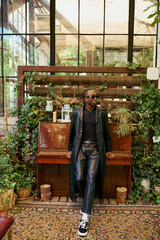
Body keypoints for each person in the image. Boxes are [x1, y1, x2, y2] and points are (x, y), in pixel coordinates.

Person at [67, 89, 115, 237]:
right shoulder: (76, 112)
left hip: (95, 149)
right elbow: (72, 132)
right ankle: (86, 200)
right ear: (85, 99)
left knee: (91, 177)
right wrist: (70, 149)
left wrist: (108, 150)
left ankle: (85, 216)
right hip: (81, 148)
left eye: (95, 96)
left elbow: (107, 133)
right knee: (79, 177)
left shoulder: (101, 112)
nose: (95, 98)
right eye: (92, 97)